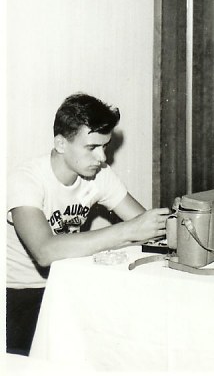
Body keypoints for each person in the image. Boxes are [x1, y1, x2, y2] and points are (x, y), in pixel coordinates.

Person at [6, 93, 171, 355]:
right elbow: (45, 252)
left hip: (70, 281)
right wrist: (128, 231)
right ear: (61, 144)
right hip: (18, 295)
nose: (103, 158)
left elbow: (144, 226)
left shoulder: (99, 176)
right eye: (92, 147)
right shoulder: (25, 180)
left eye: (104, 146)